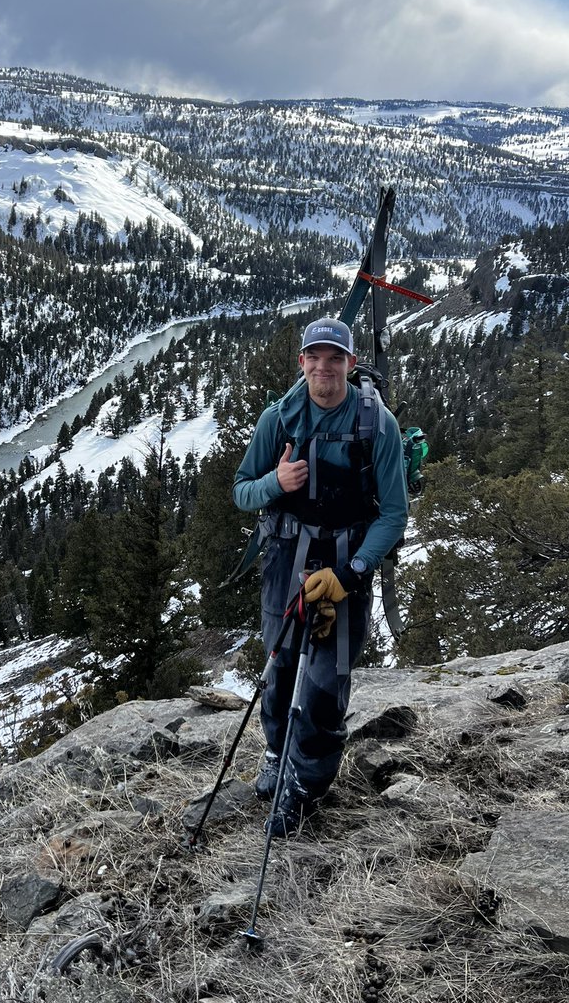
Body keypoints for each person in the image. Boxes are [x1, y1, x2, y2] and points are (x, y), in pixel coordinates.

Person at [233, 317, 408, 835]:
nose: (324, 368)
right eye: (315, 357)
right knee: (279, 665)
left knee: (326, 682)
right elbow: (241, 491)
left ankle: (305, 787)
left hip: (345, 561)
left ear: (350, 364)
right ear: (302, 362)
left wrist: (351, 573)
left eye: (335, 358)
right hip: (285, 558)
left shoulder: (378, 425)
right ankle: (275, 751)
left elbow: (393, 514)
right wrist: (275, 482)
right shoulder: (278, 420)